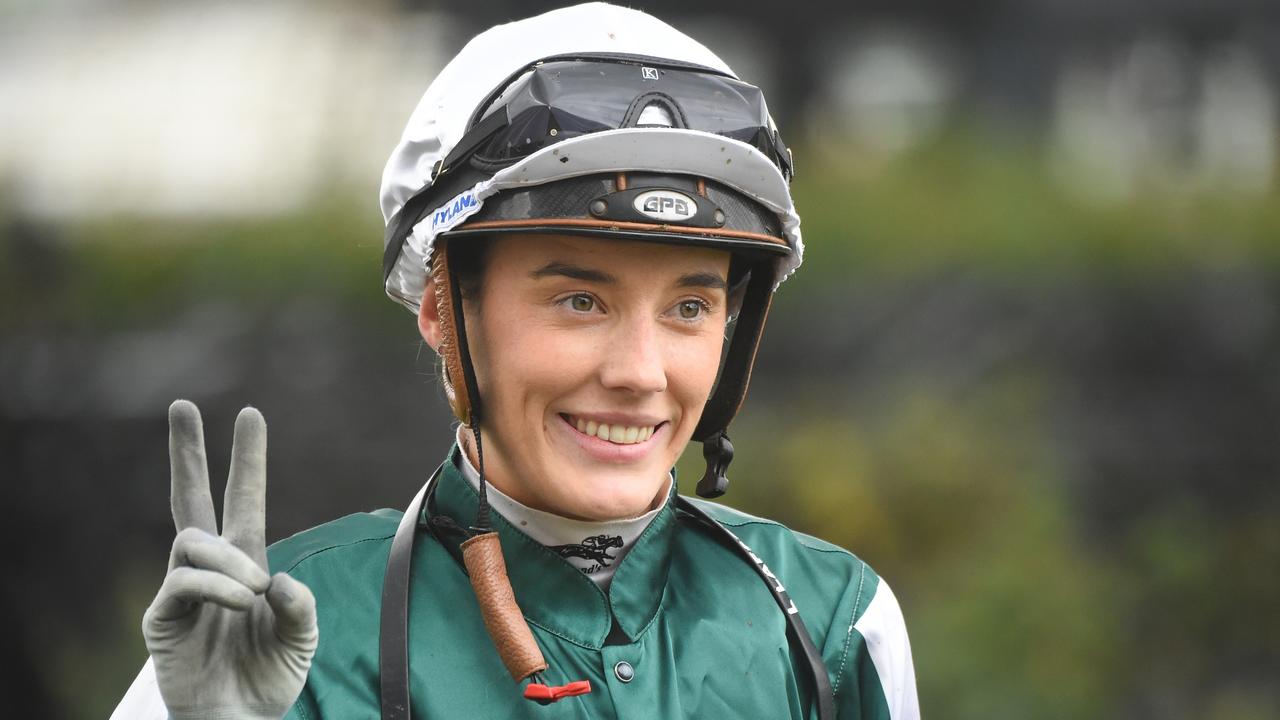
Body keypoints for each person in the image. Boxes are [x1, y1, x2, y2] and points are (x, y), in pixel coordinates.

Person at [112, 3, 919, 718]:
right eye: (581, 301)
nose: (641, 372)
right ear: (442, 310)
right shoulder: (277, 628)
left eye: (689, 307)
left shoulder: (831, 620)